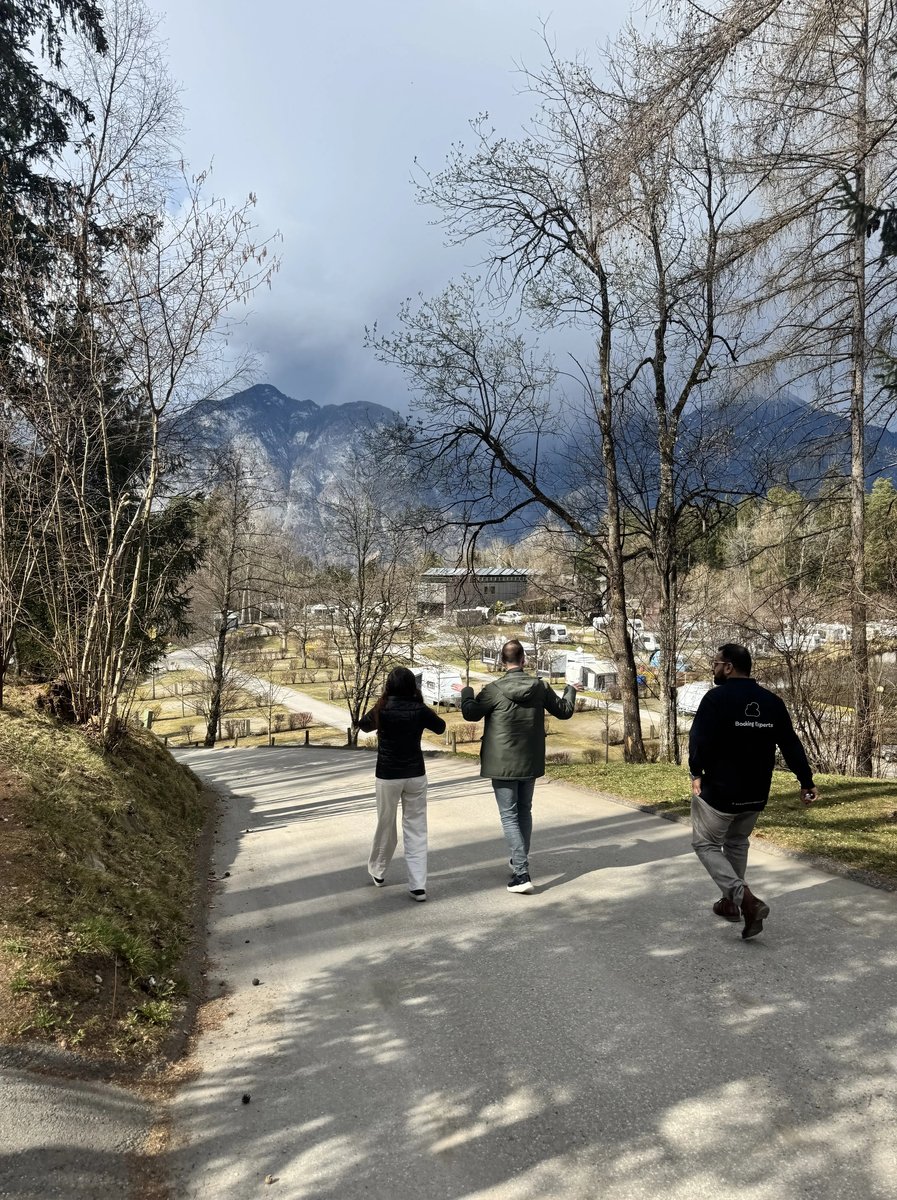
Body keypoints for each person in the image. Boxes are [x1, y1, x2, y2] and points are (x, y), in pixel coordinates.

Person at [688, 643, 818, 940]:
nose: (713, 667)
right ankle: (730, 905)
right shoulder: (772, 702)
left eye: (716, 663)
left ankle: (744, 899)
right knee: (736, 842)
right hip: (756, 793)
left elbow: (699, 739)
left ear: (729, 667)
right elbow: (791, 744)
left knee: (706, 844)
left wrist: (696, 772)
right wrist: (806, 781)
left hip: (720, 792)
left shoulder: (716, 698)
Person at [460, 639, 580, 894]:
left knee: (509, 815)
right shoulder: (540, 687)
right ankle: (518, 862)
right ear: (524, 660)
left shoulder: (493, 689)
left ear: (502, 661)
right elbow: (564, 711)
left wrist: (466, 691)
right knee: (524, 811)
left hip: (501, 762)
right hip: (529, 759)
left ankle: (521, 873)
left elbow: (471, 713)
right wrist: (570, 688)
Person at [358, 667, 446, 902]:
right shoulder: (419, 708)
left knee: (385, 823)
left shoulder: (382, 708)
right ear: (412, 686)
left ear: (388, 686)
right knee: (416, 829)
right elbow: (440, 727)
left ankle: (378, 870)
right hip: (415, 774)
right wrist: (422, 706)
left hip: (387, 775)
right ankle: (418, 886)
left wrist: (378, 702)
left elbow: (363, 725)